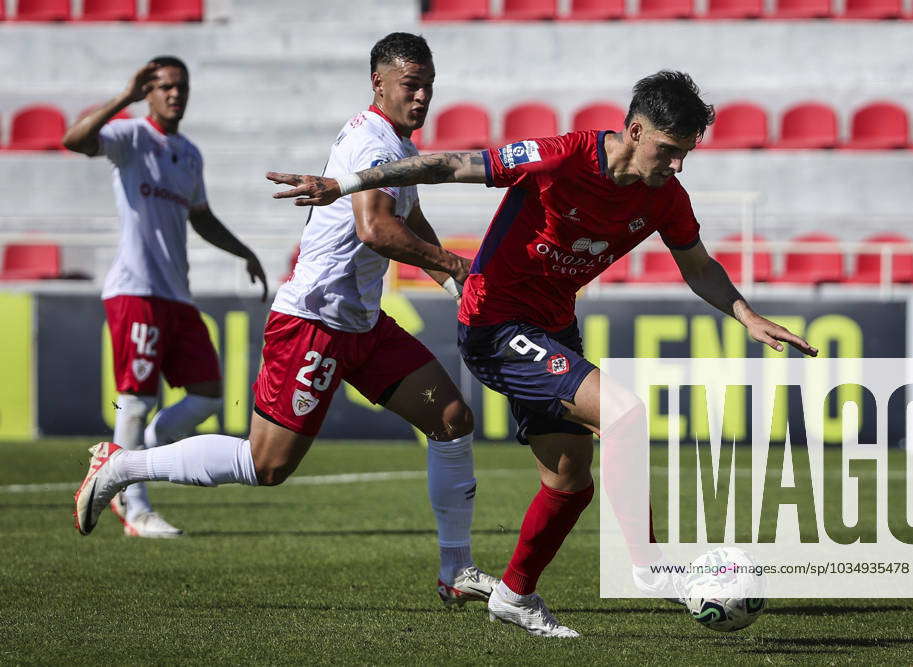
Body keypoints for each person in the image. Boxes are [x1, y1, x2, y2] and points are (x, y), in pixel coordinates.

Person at [263, 70, 819, 637]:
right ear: (634, 129)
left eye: (686, 153)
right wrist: (348, 183)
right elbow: (448, 165)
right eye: (670, 150)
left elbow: (697, 266)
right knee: (624, 416)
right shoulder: (561, 156)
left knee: (570, 481)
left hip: (553, 328)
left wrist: (747, 316)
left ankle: (515, 594)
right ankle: (654, 567)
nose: (677, 165)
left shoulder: (665, 198)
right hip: (494, 323)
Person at [72, 34, 499, 607]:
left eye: (428, 85)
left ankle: (456, 570)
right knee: (265, 464)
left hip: (362, 323)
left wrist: (449, 282)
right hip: (314, 321)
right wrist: (455, 265)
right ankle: (124, 465)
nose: (422, 97)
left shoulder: (397, 142)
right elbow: (376, 229)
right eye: (410, 85)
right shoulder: (372, 143)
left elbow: (410, 214)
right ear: (379, 83)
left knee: (451, 417)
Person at [63, 56, 268, 538]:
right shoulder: (131, 136)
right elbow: (73, 140)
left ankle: (141, 450)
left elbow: (201, 215)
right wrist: (124, 97)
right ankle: (133, 509)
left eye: (182, 86)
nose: (176, 94)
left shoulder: (191, 153)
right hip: (136, 289)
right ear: (149, 92)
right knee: (135, 400)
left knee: (207, 394)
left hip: (177, 294)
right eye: (165, 87)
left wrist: (244, 251)